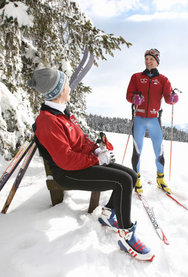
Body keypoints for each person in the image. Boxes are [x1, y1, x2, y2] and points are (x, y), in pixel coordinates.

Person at [28, 68, 154, 262]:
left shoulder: (62, 113)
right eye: (67, 84)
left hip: (79, 164)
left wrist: (95, 150)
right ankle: (126, 236)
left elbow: (80, 140)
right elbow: (66, 160)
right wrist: (96, 160)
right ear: (59, 91)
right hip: (67, 173)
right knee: (122, 181)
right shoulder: (47, 121)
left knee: (131, 175)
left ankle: (107, 214)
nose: (70, 87)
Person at [126, 48, 179, 194]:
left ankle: (160, 179)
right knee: (137, 150)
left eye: (152, 59)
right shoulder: (136, 77)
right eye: (146, 59)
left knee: (159, 150)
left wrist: (173, 98)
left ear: (157, 61)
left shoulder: (163, 80)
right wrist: (134, 98)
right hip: (139, 118)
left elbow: (169, 99)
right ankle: (136, 179)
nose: (148, 61)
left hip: (154, 119)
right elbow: (128, 95)